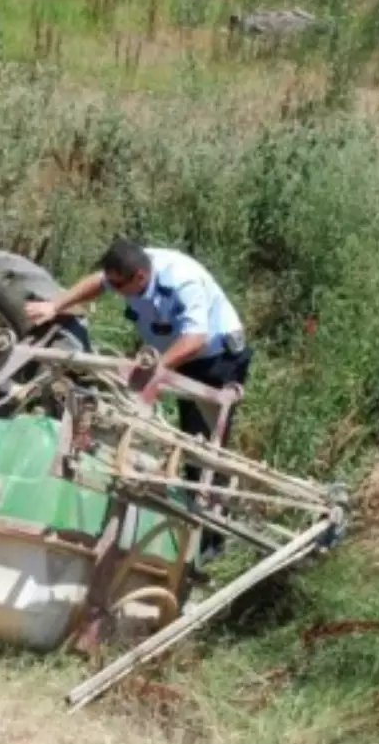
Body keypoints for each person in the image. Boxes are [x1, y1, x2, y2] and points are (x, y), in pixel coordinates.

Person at [25, 236, 253, 558]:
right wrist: (55, 305)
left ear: (140, 278)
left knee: (204, 447)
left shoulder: (182, 280)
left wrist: (156, 369)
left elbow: (196, 338)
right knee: (184, 441)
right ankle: (180, 516)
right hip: (175, 351)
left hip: (214, 359)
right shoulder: (129, 270)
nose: (114, 292)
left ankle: (211, 539)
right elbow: (99, 283)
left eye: (120, 287)